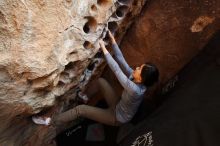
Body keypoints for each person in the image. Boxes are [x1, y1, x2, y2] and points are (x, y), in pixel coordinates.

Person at [32, 30, 159, 126]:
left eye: (139, 69)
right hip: (119, 105)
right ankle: (85, 97)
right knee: (101, 82)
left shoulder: (135, 90)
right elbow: (122, 61)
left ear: (141, 79)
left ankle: (50, 121)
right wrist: (112, 39)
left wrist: (103, 47)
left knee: (80, 110)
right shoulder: (137, 78)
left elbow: (116, 69)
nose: (136, 68)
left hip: (116, 117)